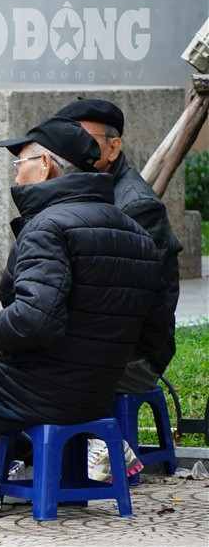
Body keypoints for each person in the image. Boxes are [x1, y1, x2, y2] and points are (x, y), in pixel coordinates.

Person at [0, 117, 169, 517]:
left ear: (45, 166)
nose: (17, 173)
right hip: (97, 395)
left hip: (36, 390)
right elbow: (154, 333)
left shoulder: (49, 226)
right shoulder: (135, 233)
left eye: (20, 161)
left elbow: (34, 318)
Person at [55, 98, 185, 482]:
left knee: (35, 371)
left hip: (135, 351)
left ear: (114, 147)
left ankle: (103, 445)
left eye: (88, 140)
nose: (76, 149)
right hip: (94, 339)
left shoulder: (135, 207)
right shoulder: (79, 189)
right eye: (68, 139)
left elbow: (129, 306)